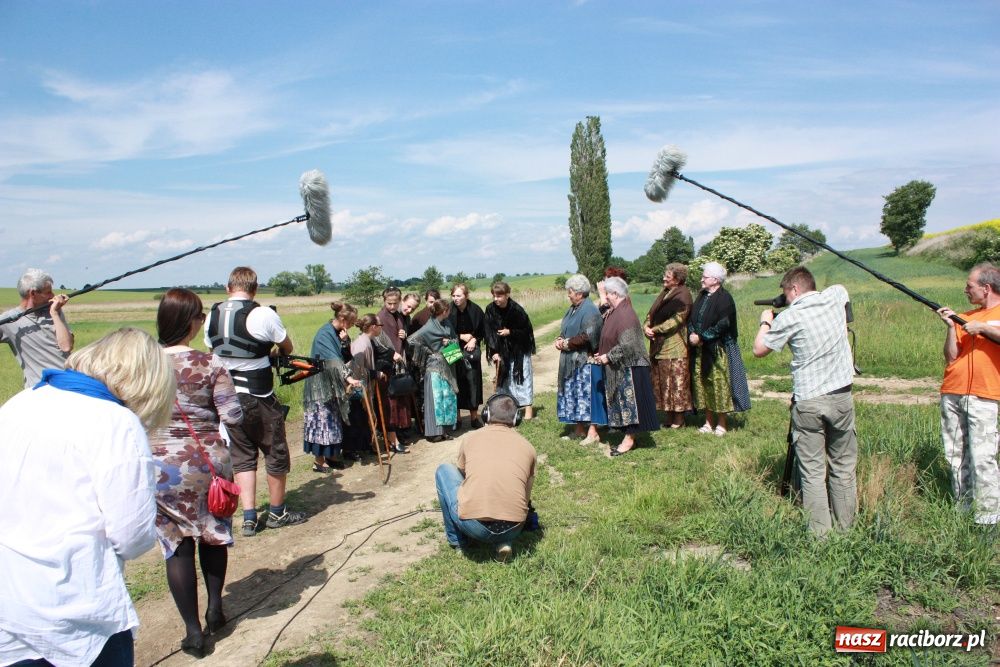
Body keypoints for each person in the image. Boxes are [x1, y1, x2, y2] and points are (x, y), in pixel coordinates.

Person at [0, 327, 174, 667]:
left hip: (10, 601)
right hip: (75, 613)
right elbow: (132, 537)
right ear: (147, 384)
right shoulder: (117, 422)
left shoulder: (21, 402)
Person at [151, 288, 244, 656]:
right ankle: (215, 609)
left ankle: (192, 631)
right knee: (213, 533)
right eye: (201, 316)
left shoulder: (143, 364)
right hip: (205, 463)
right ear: (190, 322)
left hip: (158, 466)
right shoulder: (210, 364)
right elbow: (232, 416)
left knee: (176, 544)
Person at [753, 267, 858, 537]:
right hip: (841, 396)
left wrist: (766, 321)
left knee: (812, 471)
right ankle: (847, 530)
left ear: (795, 290)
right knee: (843, 466)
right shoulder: (835, 297)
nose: (785, 299)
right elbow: (840, 291)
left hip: (809, 399)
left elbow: (759, 350)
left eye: (786, 293)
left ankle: (820, 535)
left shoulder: (790, 317)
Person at [204, 266, 303, 538]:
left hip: (225, 397)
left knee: (242, 456)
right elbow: (287, 347)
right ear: (255, 289)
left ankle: (248, 517)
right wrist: (274, 351)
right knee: (275, 451)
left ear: (228, 288)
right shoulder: (262, 314)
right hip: (258, 395)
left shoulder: (212, 314)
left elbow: (212, 351)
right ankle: (277, 512)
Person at [434, 392, 536, 561]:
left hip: (474, 526)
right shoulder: (528, 447)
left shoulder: (470, 439)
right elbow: (526, 496)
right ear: (516, 419)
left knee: (443, 470)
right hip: (515, 527)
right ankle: (504, 541)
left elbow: (462, 474)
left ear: (486, 414)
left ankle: (458, 542)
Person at [935, 263, 1000, 526]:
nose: (965, 290)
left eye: (969, 286)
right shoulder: (966, 316)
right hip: (952, 391)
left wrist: (982, 328)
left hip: (984, 394)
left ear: (986, 288)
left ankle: (989, 519)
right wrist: (952, 327)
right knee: (955, 454)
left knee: (983, 458)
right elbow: (951, 356)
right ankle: (963, 510)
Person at [593, 277, 660, 456]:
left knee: (631, 406)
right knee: (623, 405)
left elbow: (628, 344)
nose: (605, 296)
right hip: (622, 364)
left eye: (607, 293)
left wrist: (609, 356)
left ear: (615, 294)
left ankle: (629, 440)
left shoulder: (625, 314)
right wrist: (603, 353)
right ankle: (629, 437)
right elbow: (607, 327)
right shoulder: (616, 310)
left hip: (631, 366)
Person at [688, 261, 751, 436]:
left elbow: (724, 324)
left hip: (718, 349)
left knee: (719, 385)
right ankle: (708, 422)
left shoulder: (725, 298)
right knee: (704, 384)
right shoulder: (702, 295)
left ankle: (722, 423)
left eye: (705, 277)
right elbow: (692, 318)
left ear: (715, 280)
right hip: (700, 349)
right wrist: (693, 334)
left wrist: (702, 337)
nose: (701, 279)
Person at [303, 302, 360, 472]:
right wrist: (348, 377)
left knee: (333, 421)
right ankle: (319, 462)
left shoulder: (336, 334)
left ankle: (332, 455)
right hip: (319, 386)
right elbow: (334, 361)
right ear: (342, 319)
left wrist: (344, 342)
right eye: (350, 323)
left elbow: (343, 356)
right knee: (322, 422)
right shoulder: (324, 334)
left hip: (331, 384)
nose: (350, 326)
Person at [0, 268, 74, 389]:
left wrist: (55, 313)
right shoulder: (8, 320)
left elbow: (66, 346)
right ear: (33, 294)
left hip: (69, 382)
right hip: (40, 388)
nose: (53, 296)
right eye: (48, 292)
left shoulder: (53, 311)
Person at [555, 274, 605, 444]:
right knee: (575, 395)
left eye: (570, 292)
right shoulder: (573, 308)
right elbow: (566, 327)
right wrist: (560, 339)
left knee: (588, 397)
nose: (568, 295)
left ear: (579, 293)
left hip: (585, 361)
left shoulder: (590, 310)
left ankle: (593, 433)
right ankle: (579, 429)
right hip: (571, 360)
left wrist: (567, 343)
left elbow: (588, 335)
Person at [643, 263, 693, 428]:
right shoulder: (665, 293)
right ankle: (669, 416)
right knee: (664, 382)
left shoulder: (684, 296)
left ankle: (679, 419)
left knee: (676, 382)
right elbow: (652, 312)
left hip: (676, 345)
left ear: (677, 280)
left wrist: (654, 329)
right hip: (660, 345)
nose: (664, 278)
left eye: (668, 276)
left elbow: (677, 320)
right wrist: (646, 326)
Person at [484, 281, 536, 420]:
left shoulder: (517, 310)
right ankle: (507, 409)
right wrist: (494, 352)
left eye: (499, 296)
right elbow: (489, 332)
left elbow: (527, 332)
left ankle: (528, 411)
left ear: (507, 295)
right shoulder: (490, 309)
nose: (496, 299)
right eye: (494, 296)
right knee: (505, 380)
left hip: (520, 350)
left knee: (522, 379)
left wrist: (510, 332)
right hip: (502, 350)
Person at [409, 299, 459, 442]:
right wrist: (428, 352)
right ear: (444, 311)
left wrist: (449, 342)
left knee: (446, 398)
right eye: (448, 310)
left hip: (448, 365)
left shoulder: (447, 323)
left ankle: (444, 431)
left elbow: (454, 339)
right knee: (435, 399)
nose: (449, 312)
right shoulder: (429, 327)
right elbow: (412, 340)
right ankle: (432, 433)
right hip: (434, 367)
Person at [376, 288, 415, 453]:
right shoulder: (380, 317)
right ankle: (391, 439)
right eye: (389, 303)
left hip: (399, 363)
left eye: (395, 303)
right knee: (389, 402)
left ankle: (400, 432)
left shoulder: (400, 316)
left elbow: (403, 335)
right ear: (384, 301)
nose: (392, 306)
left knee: (400, 399)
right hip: (385, 364)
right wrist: (392, 354)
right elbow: (377, 342)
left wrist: (404, 334)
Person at [448, 283, 486, 429]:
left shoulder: (476, 310)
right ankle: (456, 419)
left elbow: (483, 330)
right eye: (453, 295)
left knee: (473, 381)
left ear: (466, 296)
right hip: (451, 348)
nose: (456, 298)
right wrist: (460, 336)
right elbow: (444, 332)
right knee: (454, 381)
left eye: (459, 295)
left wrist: (474, 339)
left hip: (471, 349)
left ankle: (474, 417)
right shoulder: (448, 310)